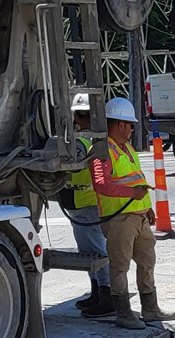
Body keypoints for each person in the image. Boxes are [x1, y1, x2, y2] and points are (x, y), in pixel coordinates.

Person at [93, 97, 175, 330]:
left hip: (138, 216)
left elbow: (137, 179)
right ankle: (123, 313)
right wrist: (132, 193)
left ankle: (150, 308)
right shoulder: (102, 151)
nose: (131, 130)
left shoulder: (127, 149)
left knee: (147, 260)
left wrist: (147, 207)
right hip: (118, 219)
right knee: (120, 266)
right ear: (120, 124)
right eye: (130, 125)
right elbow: (101, 184)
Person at [58, 94, 113, 317]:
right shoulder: (82, 139)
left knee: (97, 252)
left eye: (83, 115)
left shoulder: (83, 142)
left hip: (87, 203)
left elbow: (70, 164)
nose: (79, 120)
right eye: (78, 114)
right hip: (78, 204)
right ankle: (97, 292)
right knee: (88, 253)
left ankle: (107, 295)